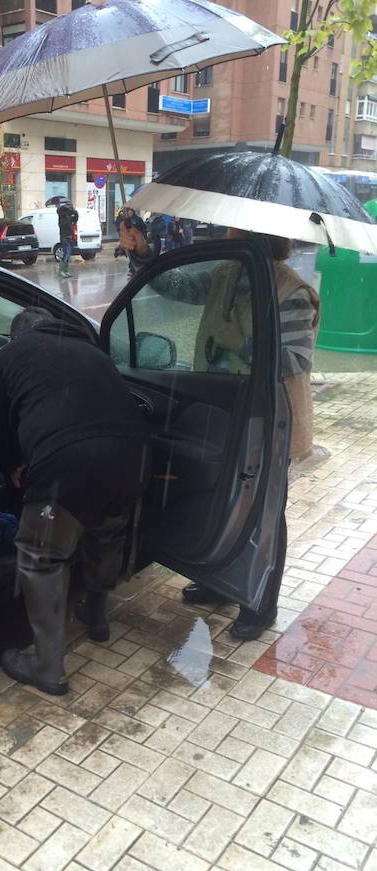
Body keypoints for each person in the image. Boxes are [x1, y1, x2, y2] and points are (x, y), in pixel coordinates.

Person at [117, 224, 319, 640]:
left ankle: (259, 602)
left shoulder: (291, 290)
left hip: (267, 419)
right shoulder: (226, 273)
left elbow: (294, 358)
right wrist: (143, 252)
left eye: (234, 231)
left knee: (263, 512)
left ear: (255, 238)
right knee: (222, 497)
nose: (226, 237)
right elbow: (177, 286)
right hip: (222, 407)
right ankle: (218, 581)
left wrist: (242, 343)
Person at [0, 308, 150, 695]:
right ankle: (95, 613)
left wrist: (11, 464)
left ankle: (47, 666)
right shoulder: (91, 350)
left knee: (40, 557)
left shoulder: (12, 355)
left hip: (68, 462)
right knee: (105, 532)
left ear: (16, 337)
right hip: (134, 458)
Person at [57, 201, 78, 278]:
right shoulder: (62, 217)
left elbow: (76, 218)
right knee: (66, 253)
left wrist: (75, 212)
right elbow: (64, 225)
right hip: (64, 237)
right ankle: (61, 271)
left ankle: (65, 270)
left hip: (70, 237)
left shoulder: (69, 217)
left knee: (68, 255)